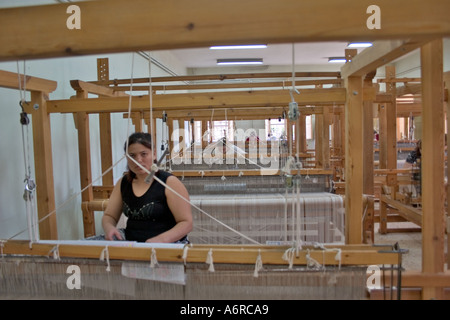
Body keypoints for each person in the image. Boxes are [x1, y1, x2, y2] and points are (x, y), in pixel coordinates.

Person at [102, 132, 193, 243]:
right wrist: (109, 228)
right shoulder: (123, 183)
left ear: (154, 154)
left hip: (168, 247)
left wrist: (160, 240)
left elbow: (186, 223)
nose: (138, 160)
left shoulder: (169, 183)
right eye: (132, 155)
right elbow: (109, 216)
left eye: (144, 154)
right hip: (133, 247)